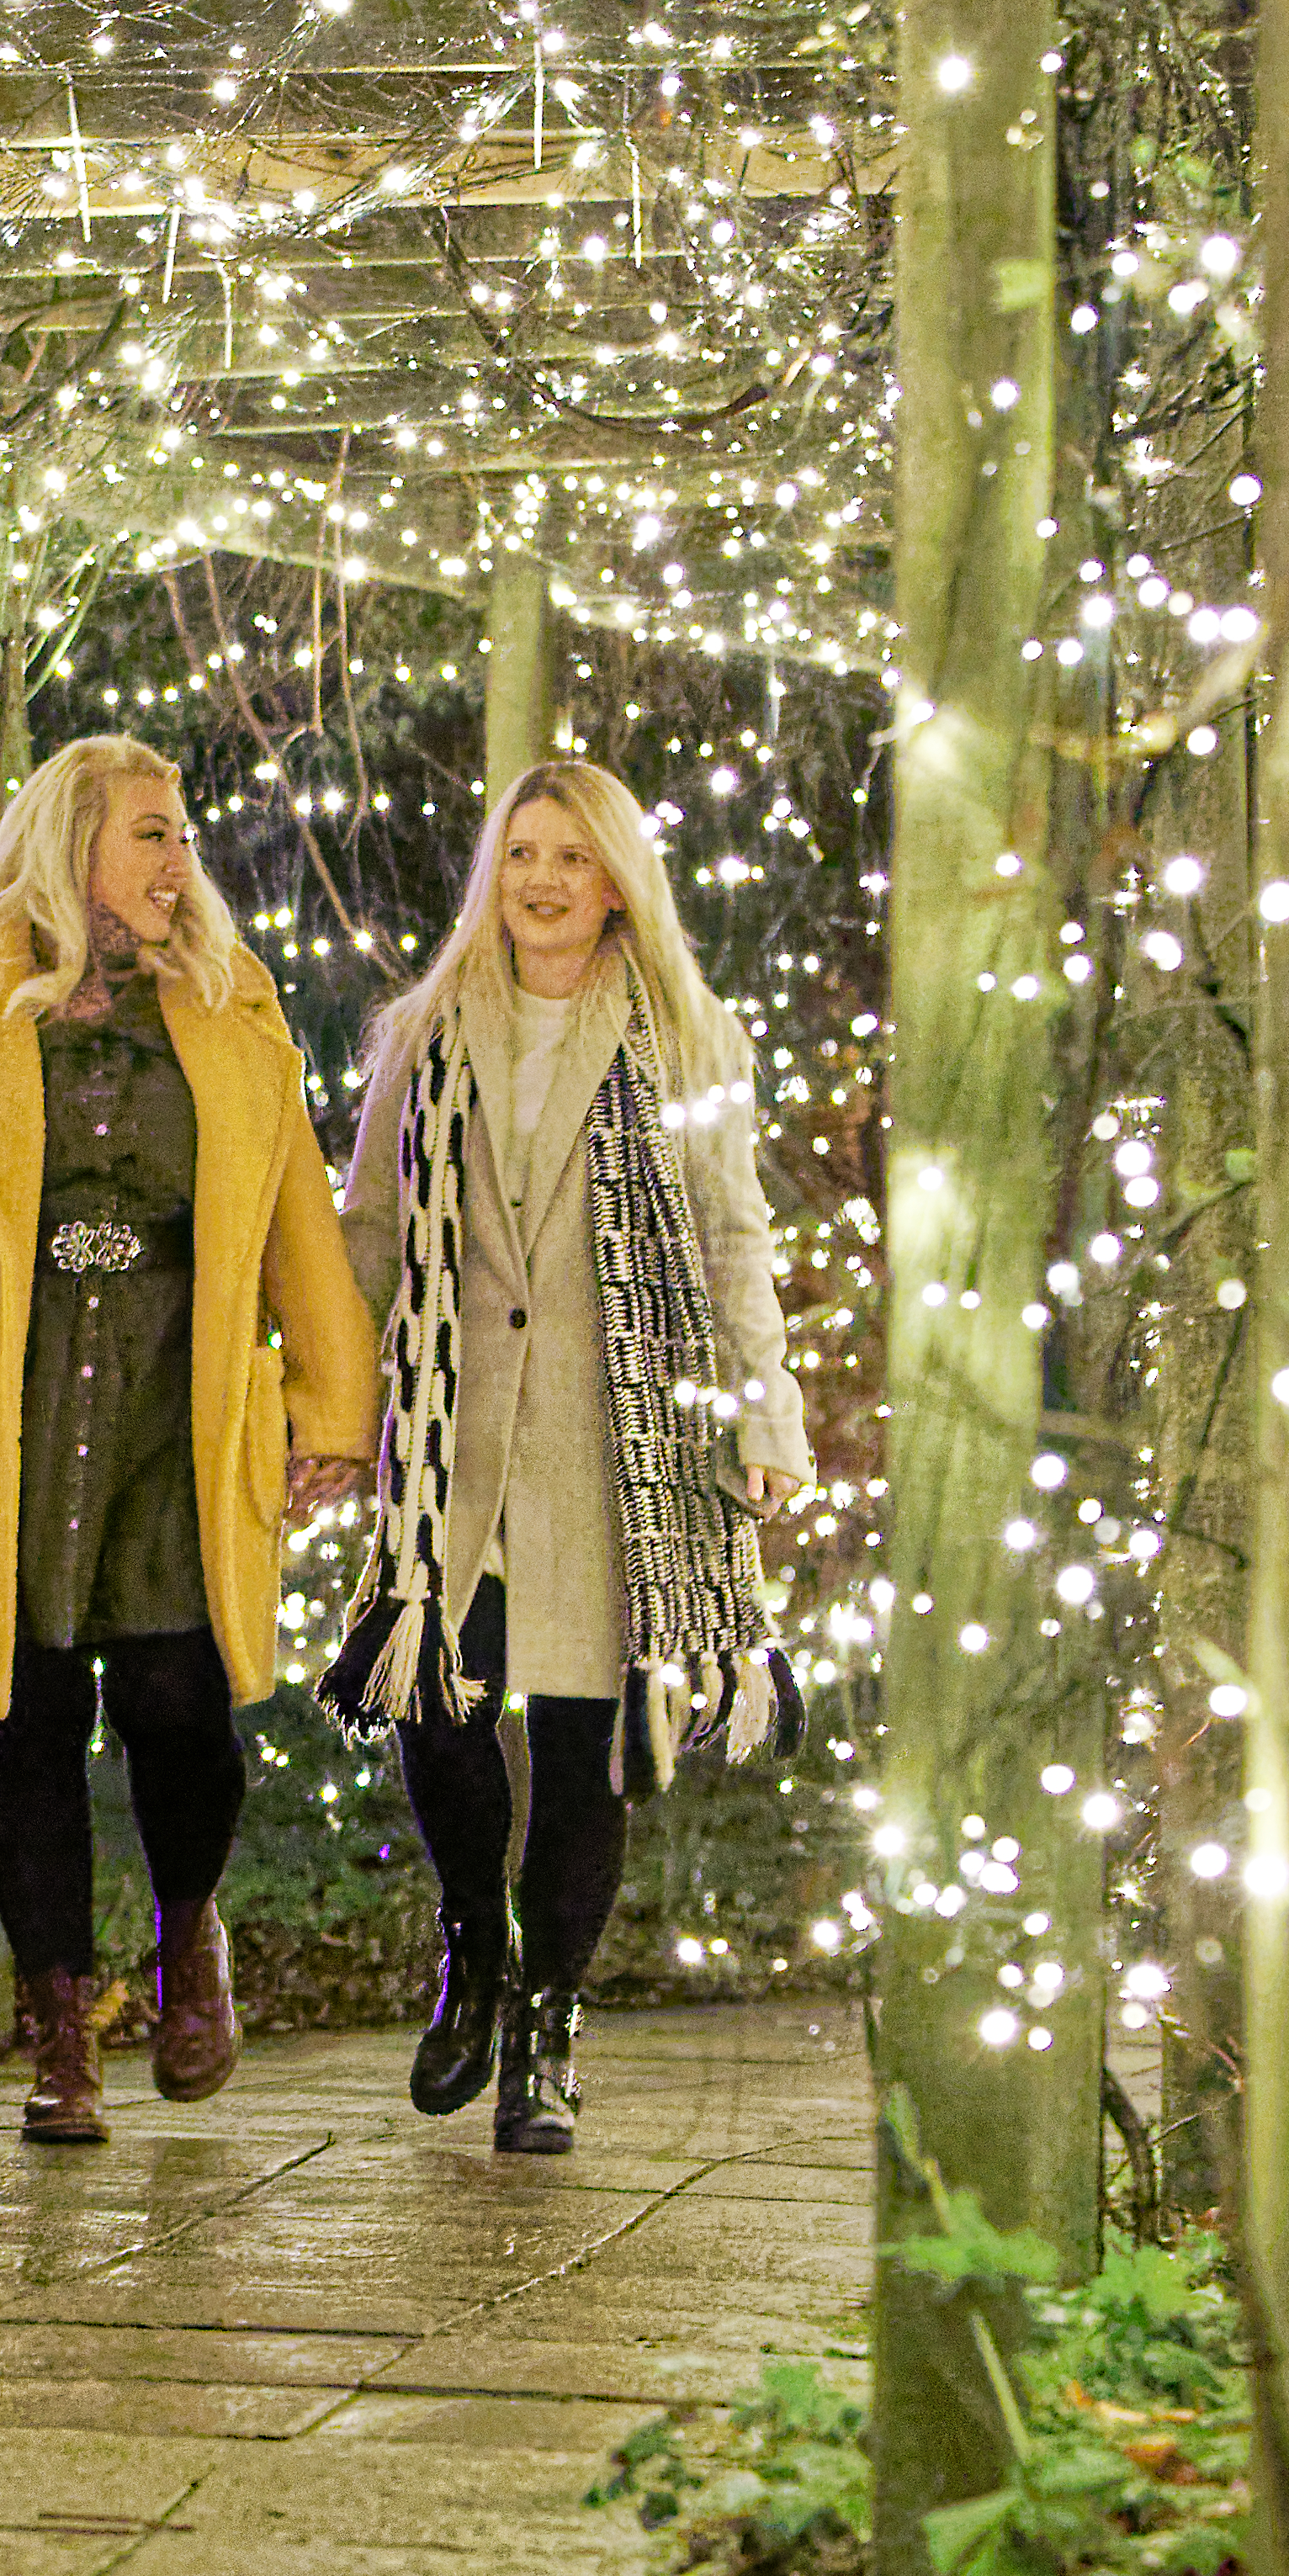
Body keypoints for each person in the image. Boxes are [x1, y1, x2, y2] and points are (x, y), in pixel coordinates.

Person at [0, 735, 379, 2142]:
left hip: (180, 1386)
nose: (181, 864)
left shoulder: (230, 1001)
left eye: (183, 838)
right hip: (7, 1392)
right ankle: (60, 2040)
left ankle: (191, 1941)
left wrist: (334, 1411)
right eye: (154, 835)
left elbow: (297, 1210)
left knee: (182, 1695)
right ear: (74, 846)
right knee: (28, 1712)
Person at [323, 759, 809, 2153]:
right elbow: (368, 1229)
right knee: (439, 1703)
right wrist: (329, 1416)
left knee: (589, 1739)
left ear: (618, 883)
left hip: (623, 1430)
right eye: (522, 853)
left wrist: (761, 1413)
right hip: (452, 1422)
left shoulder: (690, 1036)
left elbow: (731, 1234)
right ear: (497, 872)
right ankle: (474, 1941)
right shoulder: (425, 1029)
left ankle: (548, 2021)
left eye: (573, 858)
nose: (544, 881)